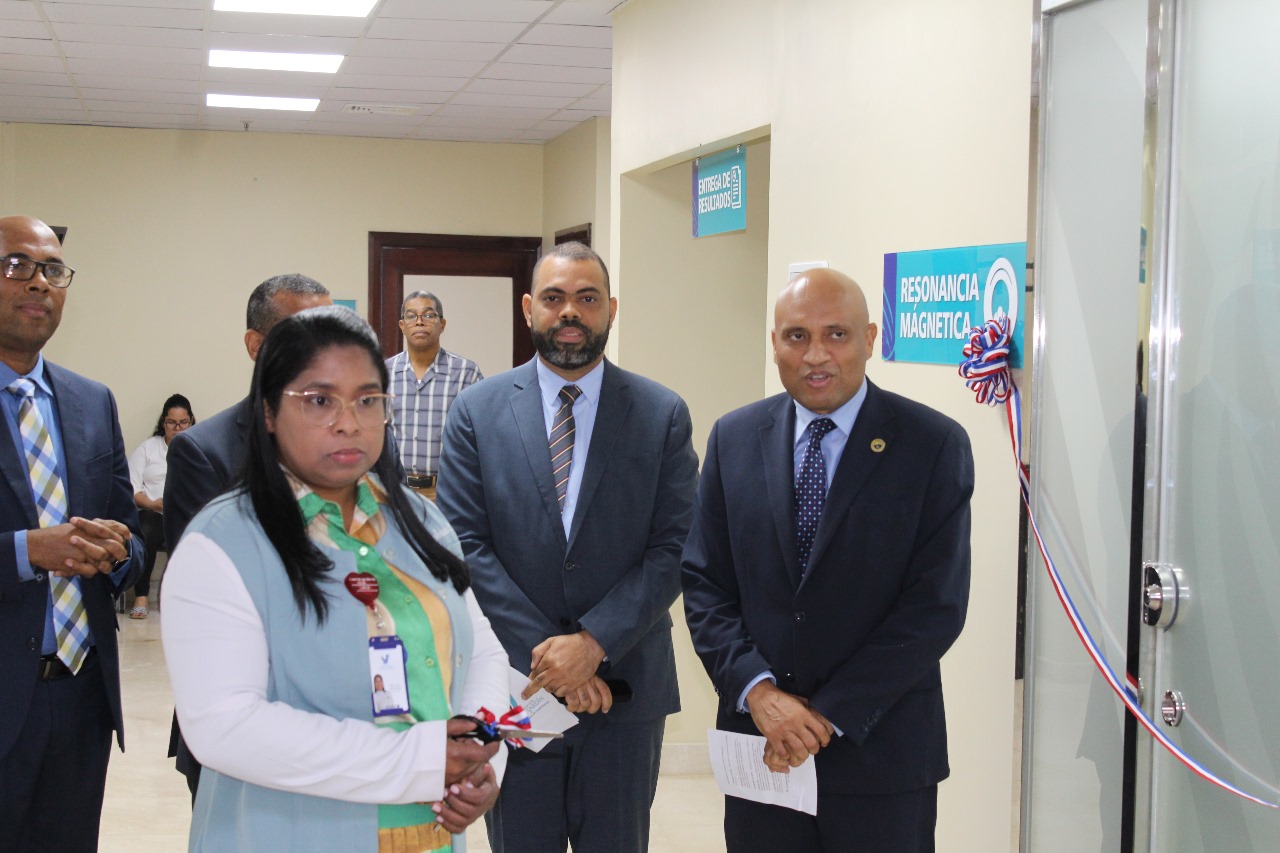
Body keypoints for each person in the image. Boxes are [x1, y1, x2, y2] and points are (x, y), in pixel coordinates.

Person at [161, 306, 508, 852]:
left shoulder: (422, 521)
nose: (349, 421)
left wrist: (480, 755)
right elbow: (224, 726)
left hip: (431, 832)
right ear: (269, 411)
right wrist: (419, 760)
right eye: (320, 400)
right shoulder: (221, 543)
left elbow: (481, 650)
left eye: (368, 400)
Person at [680, 268, 974, 852]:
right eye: (796, 336)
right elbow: (705, 584)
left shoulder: (932, 444)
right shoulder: (733, 437)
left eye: (836, 335)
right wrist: (759, 694)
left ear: (868, 337)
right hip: (761, 755)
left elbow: (934, 607)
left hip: (880, 756)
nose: (816, 355)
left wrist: (825, 718)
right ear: (774, 343)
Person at [436, 241, 699, 853]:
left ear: (610, 308)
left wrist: (594, 643)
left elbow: (675, 545)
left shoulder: (662, 414)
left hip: (625, 690)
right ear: (529, 308)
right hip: (516, 687)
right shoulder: (477, 411)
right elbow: (464, 544)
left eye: (586, 299)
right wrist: (552, 660)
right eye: (554, 299)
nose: (569, 313)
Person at [0, 215, 142, 853]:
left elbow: (133, 536)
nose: (38, 283)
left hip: (82, 695)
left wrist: (117, 554)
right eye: (16, 266)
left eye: (53, 270)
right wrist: (28, 551)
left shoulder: (91, 401)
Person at [162, 272, 330, 797]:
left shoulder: (366, 445)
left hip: (349, 718)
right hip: (242, 723)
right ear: (256, 345)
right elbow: (214, 596)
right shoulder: (203, 452)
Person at [387, 291, 484, 501]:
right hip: (395, 492)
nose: (419, 322)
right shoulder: (383, 373)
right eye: (412, 316)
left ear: (442, 324)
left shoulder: (467, 373)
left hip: (448, 493)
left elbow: (482, 437)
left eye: (428, 315)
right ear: (402, 326)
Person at [125, 392, 195, 618]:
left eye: (183, 423)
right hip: (154, 512)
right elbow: (131, 488)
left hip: (186, 513)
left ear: (191, 421)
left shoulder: (199, 448)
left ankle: (177, 597)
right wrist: (152, 504)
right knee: (148, 528)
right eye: (172, 423)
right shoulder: (149, 448)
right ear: (163, 423)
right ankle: (141, 596)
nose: (177, 428)